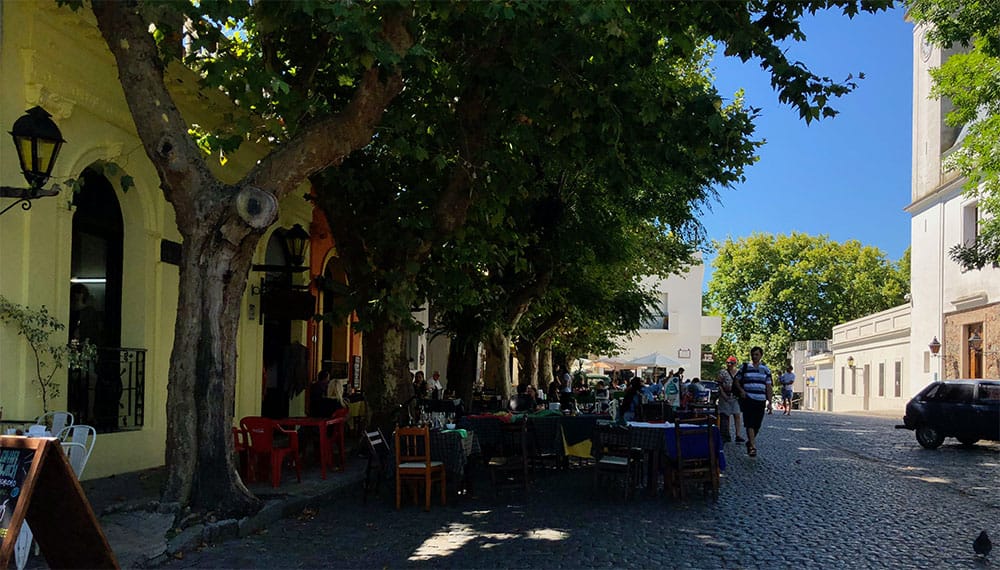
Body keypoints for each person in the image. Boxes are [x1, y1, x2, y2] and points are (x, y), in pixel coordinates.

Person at [734, 346, 772, 457]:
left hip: (761, 400)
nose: (754, 356)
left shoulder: (765, 369)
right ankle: (753, 446)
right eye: (753, 354)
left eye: (757, 354)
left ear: (761, 356)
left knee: (757, 424)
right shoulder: (745, 367)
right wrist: (741, 390)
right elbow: (736, 380)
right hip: (748, 399)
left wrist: (769, 402)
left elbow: (768, 386)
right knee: (749, 423)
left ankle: (750, 441)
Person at [717, 356, 745, 443]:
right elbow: (719, 384)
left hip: (735, 397)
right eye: (728, 363)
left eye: (731, 363)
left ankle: (738, 434)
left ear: (735, 364)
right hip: (725, 396)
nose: (730, 365)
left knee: (737, 415)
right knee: (726, 416)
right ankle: (726, 434)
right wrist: (723, 394)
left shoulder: (738, 373)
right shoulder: (722, 372)